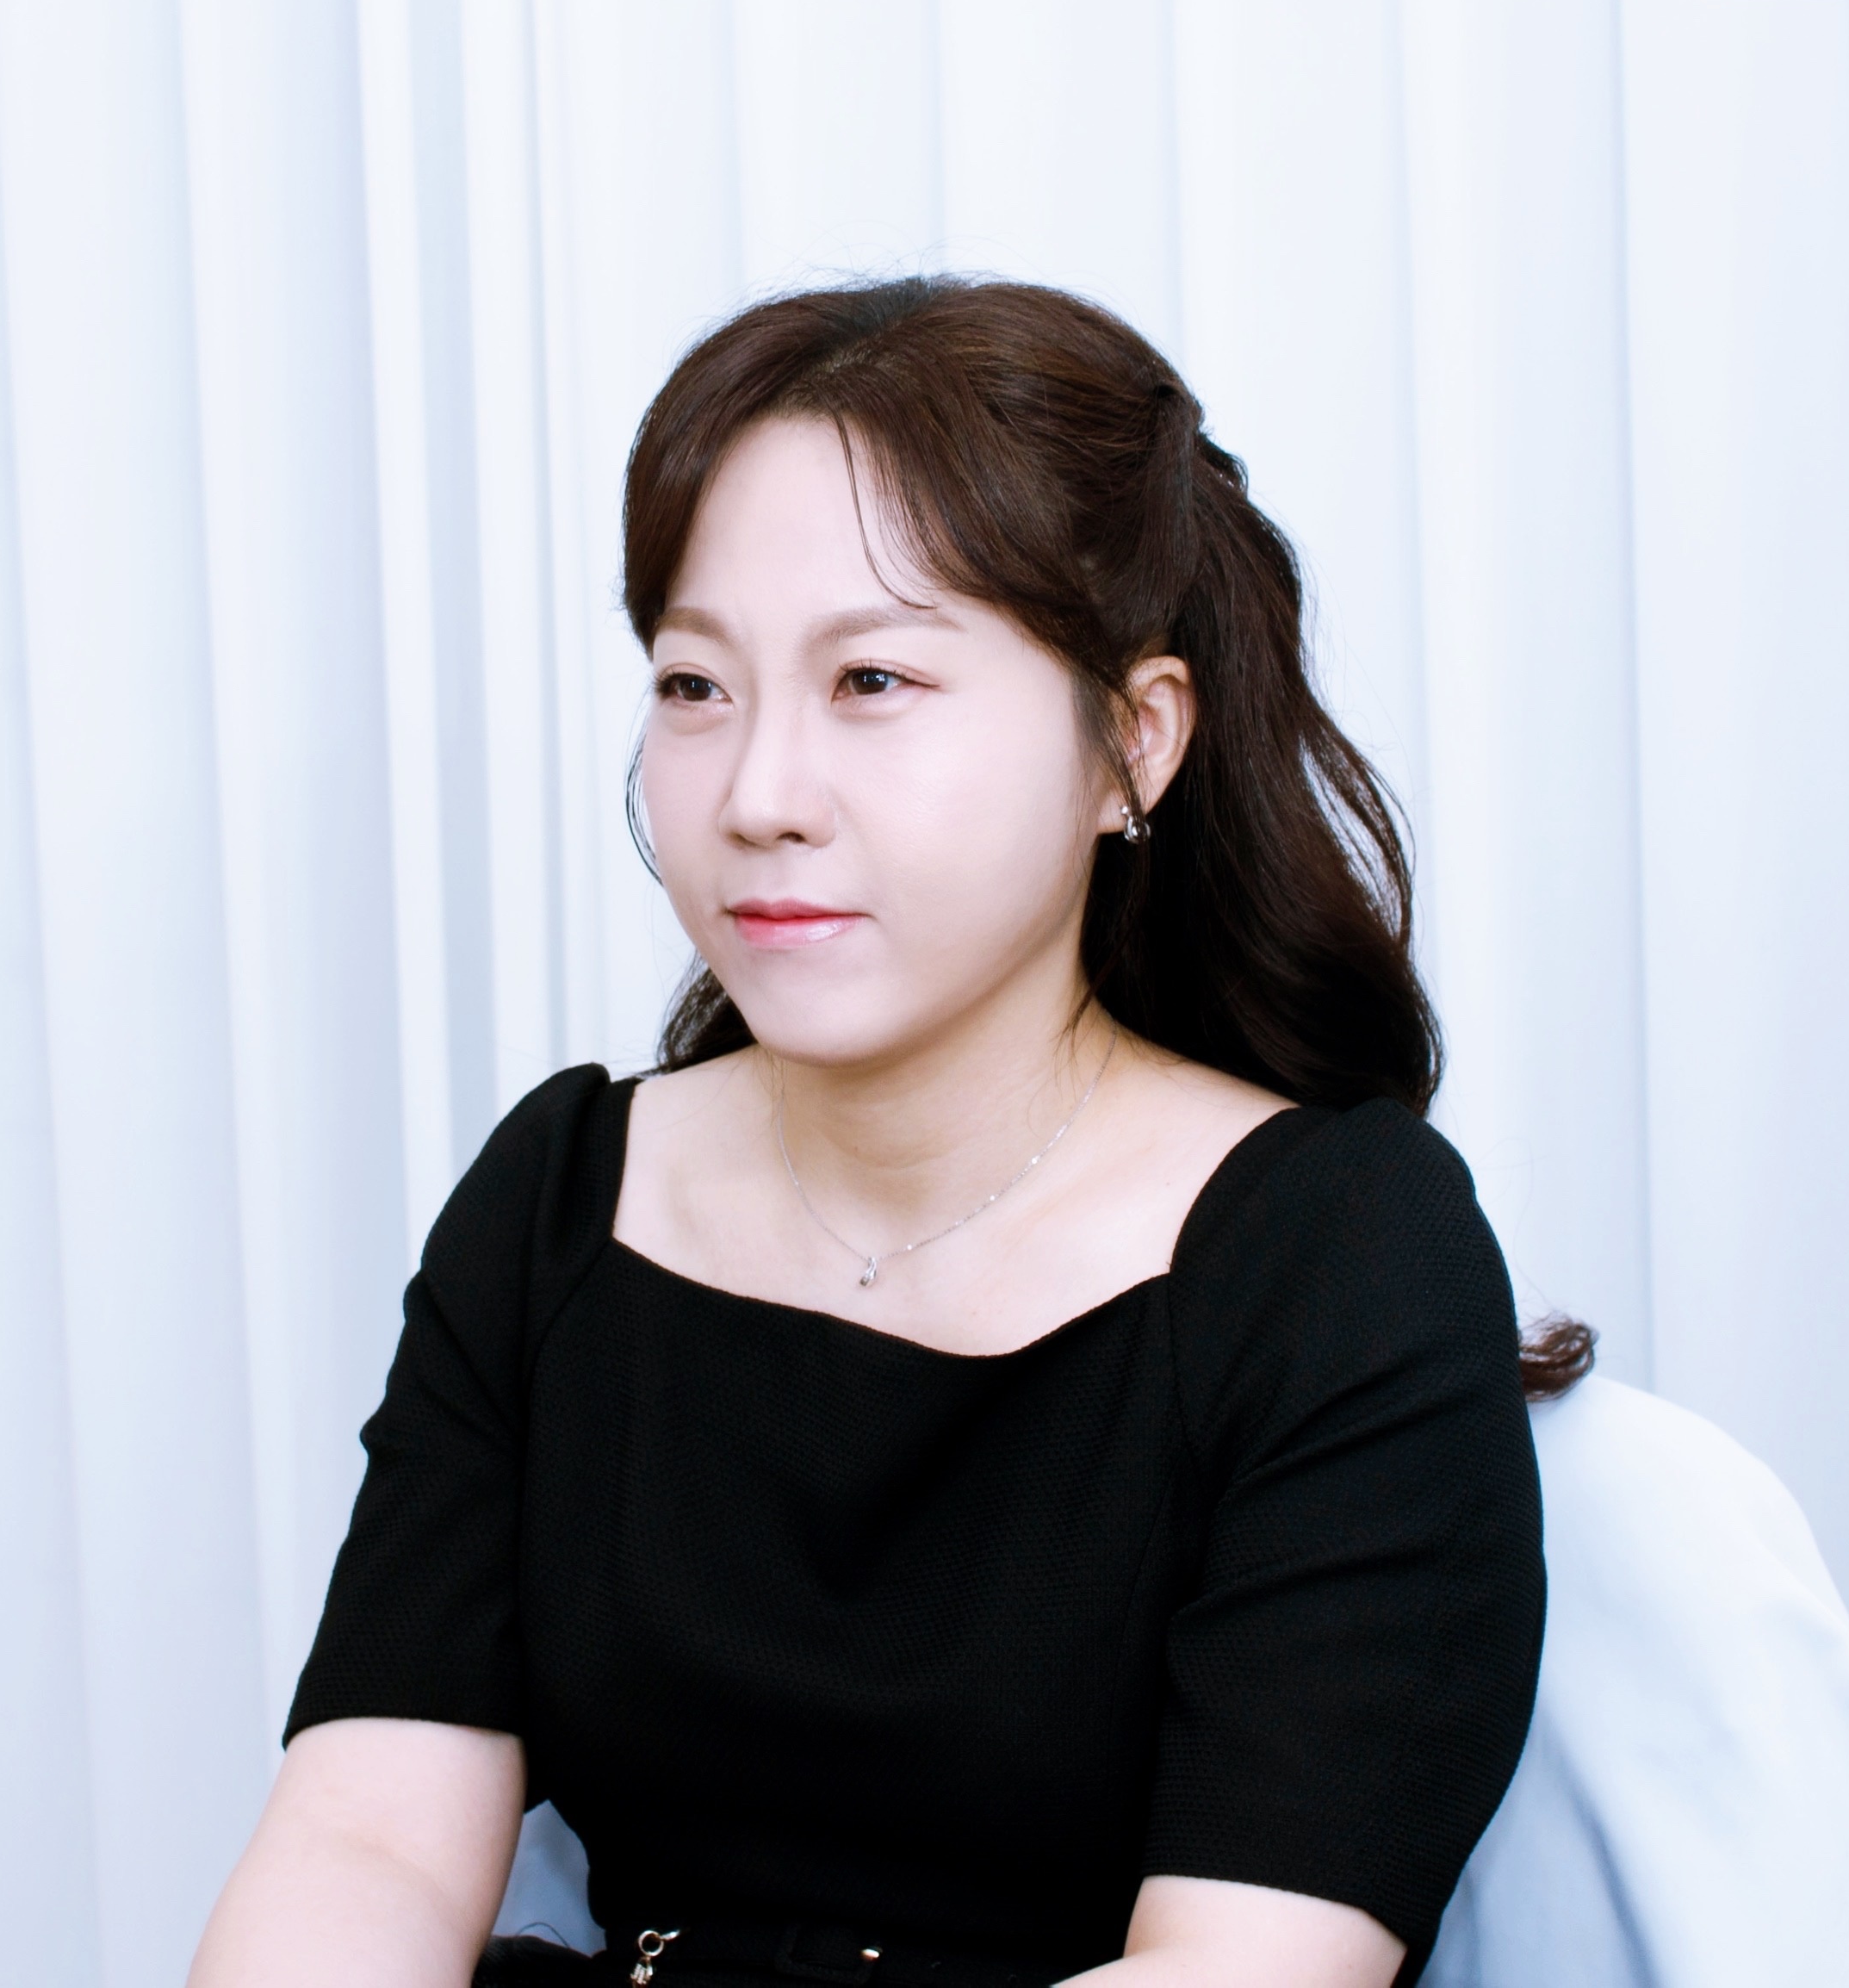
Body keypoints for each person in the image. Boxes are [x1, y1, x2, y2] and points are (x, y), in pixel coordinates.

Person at [186, 279, 1582, 1988]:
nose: (756, 793)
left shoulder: (1333, 1254)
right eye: (695, 685)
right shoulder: (559, 1206)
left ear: (1130, 745)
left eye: (870, 678)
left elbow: (1245, 1964)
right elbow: (368, 1837)